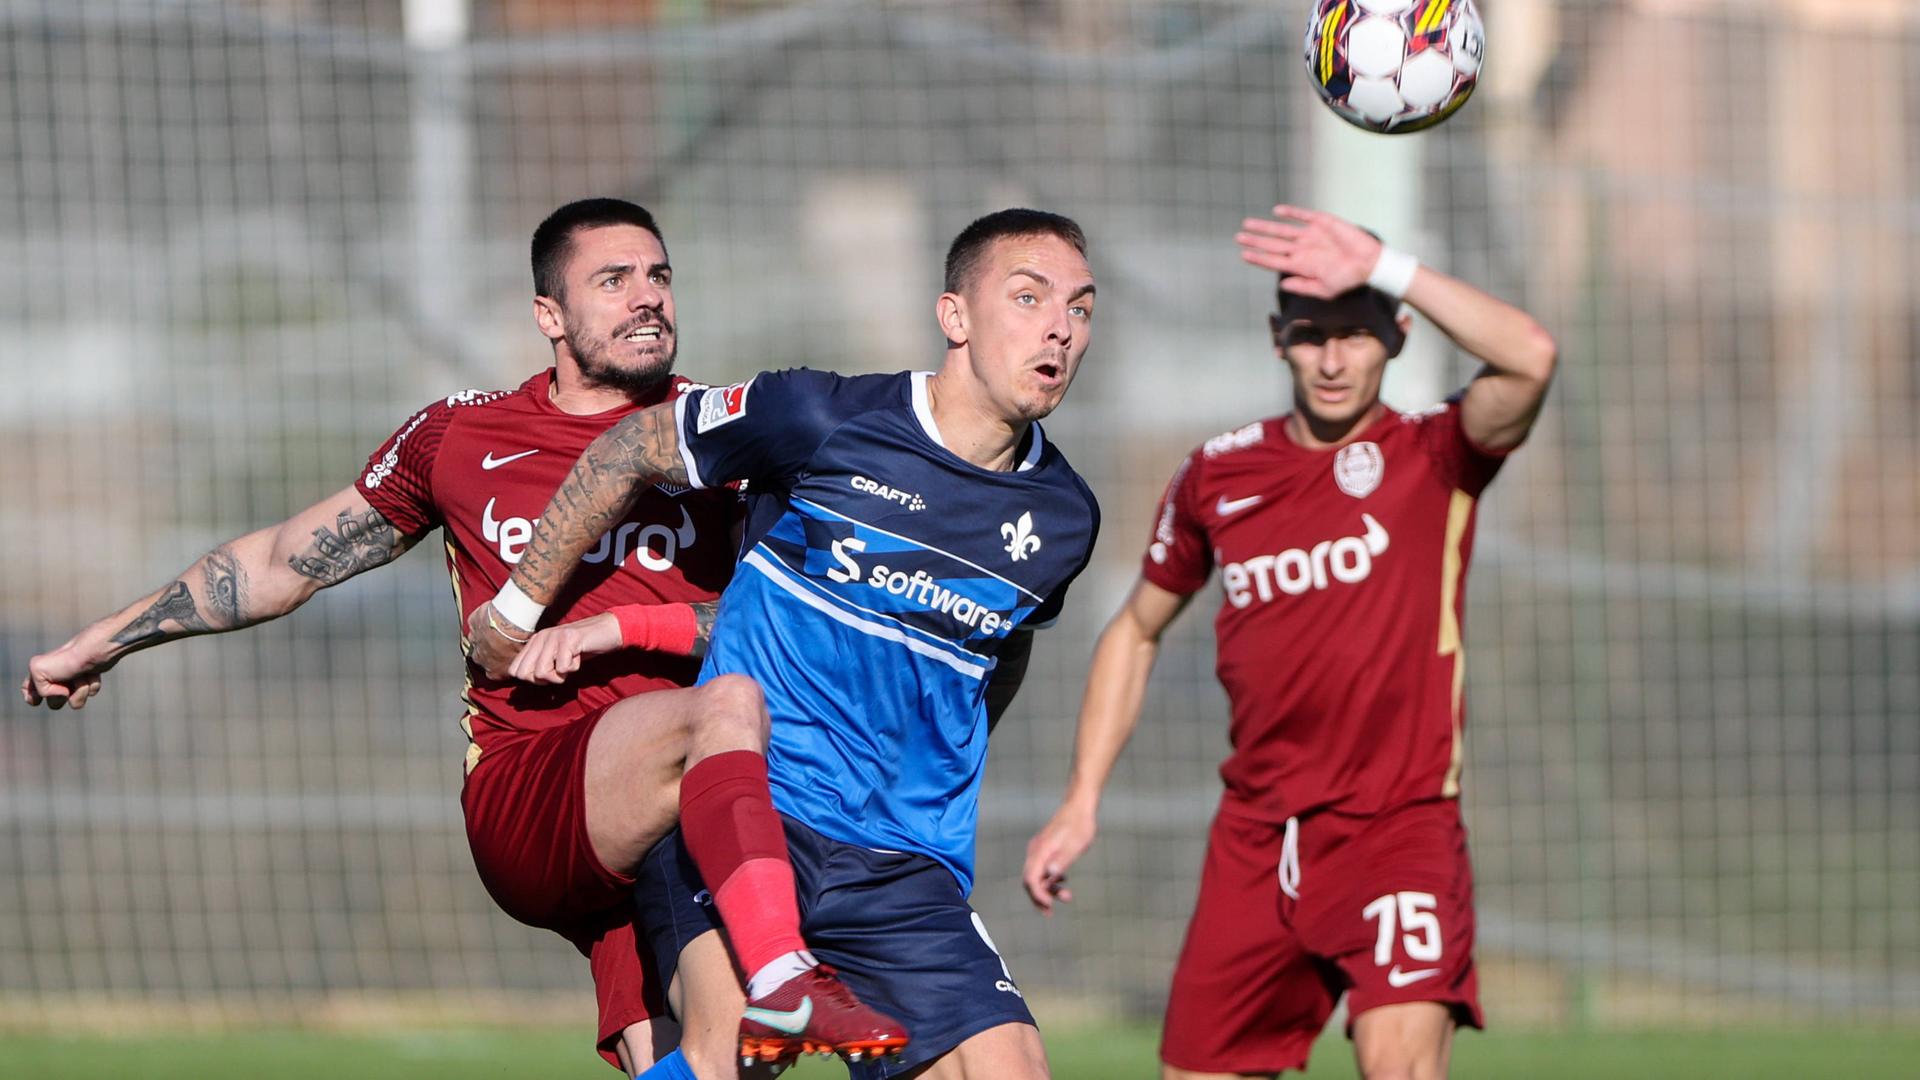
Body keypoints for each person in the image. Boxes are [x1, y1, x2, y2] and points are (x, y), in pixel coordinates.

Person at [21, 198, 901, 1078]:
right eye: (613, 280)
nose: (647, 298)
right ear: (548, 317)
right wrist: (107, 638)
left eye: (659, 277)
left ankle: (765, 989)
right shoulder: (462, 435)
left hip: (681, 807)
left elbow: (790, 624)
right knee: (727, 710)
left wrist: (622, 627)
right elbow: (288, 558)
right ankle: (789, 967)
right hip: (532, 790)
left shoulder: (723, 442)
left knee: (722, 1061)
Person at [466, 208, 1103, 1079]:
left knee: (1013, 1070)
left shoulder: (1065, 518)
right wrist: (516, 609)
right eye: (1028, 298)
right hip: (751, 815)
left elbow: (1004, 649)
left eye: (1080, 308)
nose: (1059, 328)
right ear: (953, 316)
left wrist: (937, 755)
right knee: (727, 1061)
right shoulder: (817, 416)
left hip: (903, 862)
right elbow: (630, 447)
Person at [1021, 205, 1557, 1080]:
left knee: (1401, 1061)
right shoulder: (1219, 475)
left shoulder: (1436, 455)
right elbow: (1135, 629)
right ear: (1279, 340)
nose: (1335, 358)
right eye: (1312, 336)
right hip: (1257, 841)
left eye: (1357, 333)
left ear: (1398, 334)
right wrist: (1082, 799)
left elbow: (1531, 354)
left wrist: (1391, 264)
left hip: (1398, 829)